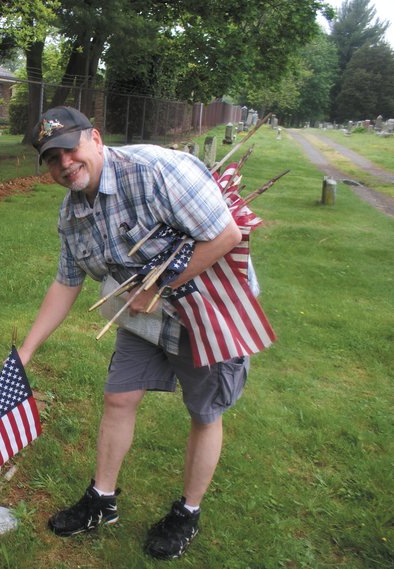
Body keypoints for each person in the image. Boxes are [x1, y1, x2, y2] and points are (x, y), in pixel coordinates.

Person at [18, 106, 250, 560]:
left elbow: (226, 235)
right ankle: (102, 501)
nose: (64, 164)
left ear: (96, 139)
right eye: (51, 158)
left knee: (204, 411)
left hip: (205, 306)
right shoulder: (71, 216)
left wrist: (160, 286)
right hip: (139, 313)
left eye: (69, 149)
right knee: (119, 397)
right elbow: (66, 283)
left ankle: (187, 512)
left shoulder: (156, 171)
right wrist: (26, 351)